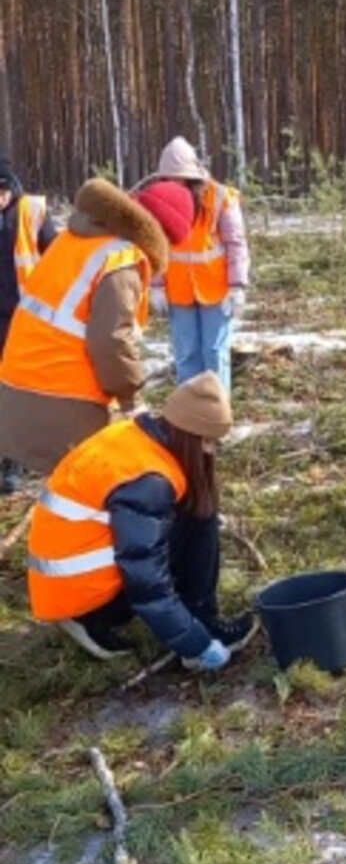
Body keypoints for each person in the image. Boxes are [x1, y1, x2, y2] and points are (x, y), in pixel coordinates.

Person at [27, 370, 254, 667]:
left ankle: (195, 615)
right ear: (191, 436)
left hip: (62, 579)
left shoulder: (133, 436)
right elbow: (147, 579)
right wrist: (194, 645)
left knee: (196, 513)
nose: (211, 451)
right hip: (79, 591)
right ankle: (93, 618)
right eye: (210, 442)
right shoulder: (150, 482)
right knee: (198, 522)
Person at [0, 177, 194, 475]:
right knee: (105, 484)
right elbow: (111, 342)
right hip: (62, 400)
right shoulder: (122, 260)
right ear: (161, 233)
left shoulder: (74, 238)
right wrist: (132, 400)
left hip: (16, 392)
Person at [146, 136, 250, 393]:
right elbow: (155, 246)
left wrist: (237, 285)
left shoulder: (220, 198)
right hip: (179, 291)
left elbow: (236, 243)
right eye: (167, 179)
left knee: (215, 354)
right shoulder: (158, 201)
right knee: (186, 355)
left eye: (176, 178)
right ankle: (188, 420)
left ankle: (216, 416)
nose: (172, 184)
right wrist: (155, 285)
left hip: (216, 290)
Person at [0, 157, 57, 493]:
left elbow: (57, 261)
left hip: (28, 316)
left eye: (2, 190)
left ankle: (17, 461)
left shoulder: (32, 212)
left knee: (22, 387)